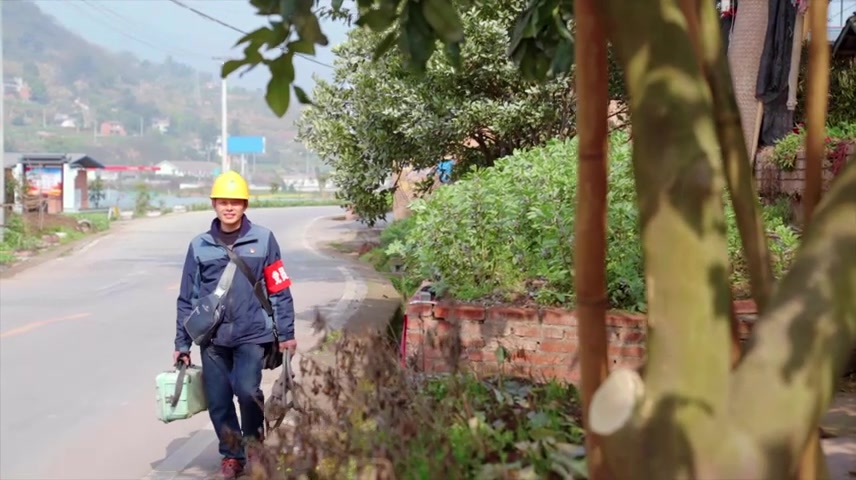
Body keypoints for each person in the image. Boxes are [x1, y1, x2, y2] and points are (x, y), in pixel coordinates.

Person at [173, 170, 296, 479]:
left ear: (245, 205)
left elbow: (279, 288)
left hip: (252, 333)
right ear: (215, 204)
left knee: (247, 390)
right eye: (224, 202)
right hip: (212, 338)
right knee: (218, 400)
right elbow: (186, 298)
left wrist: (287, 333)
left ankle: (254, 449)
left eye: (236, 202)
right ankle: (232, 455)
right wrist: (181, 344)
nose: (229, 208)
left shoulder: (264, 239)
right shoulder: (199, 245)